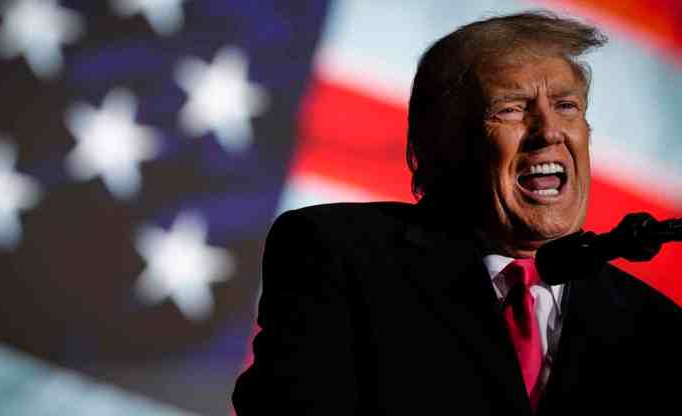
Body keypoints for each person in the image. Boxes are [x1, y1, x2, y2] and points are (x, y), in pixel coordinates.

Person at [232, 11, 681, 415]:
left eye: (566, 106)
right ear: (443, 142)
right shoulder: (340, 255)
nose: (549, 132)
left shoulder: (655, 327)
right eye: (511, 109)